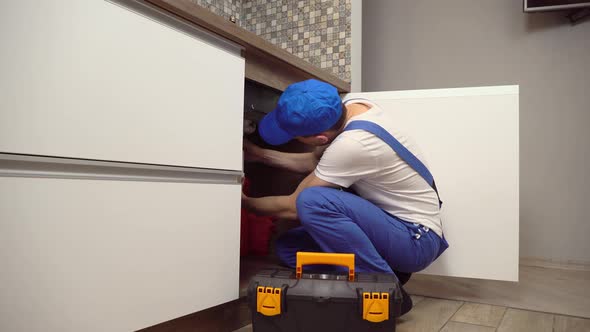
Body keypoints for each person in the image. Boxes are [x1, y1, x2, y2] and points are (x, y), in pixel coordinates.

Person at [242, 79, 448, 282]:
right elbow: (314, 161)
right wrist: (259, 155)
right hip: (392, 227)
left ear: (320, 139)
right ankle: (388, 267)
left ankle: (380, 285)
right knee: (289, 248)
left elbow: (292, 206)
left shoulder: (353, 144)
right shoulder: (352, 107)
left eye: (295, 136)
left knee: (311, 200)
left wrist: (242, 202)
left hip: (415, 240)